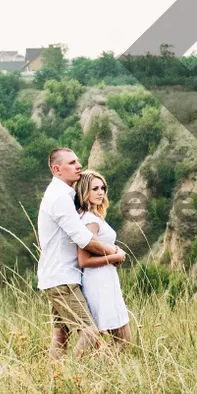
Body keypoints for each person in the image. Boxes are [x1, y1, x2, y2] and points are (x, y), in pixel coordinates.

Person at [36, 148, 117, 360]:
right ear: (57, 169)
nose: (78, 165)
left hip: (55, 277)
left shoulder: (60, 195)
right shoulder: (59, 197)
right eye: (72, 163)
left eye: (77, 161)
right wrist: (114, 253)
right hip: (63, 279)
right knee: (89, 332)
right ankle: (73, 376)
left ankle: (54, 380)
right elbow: (84, 239)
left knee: (61, 336)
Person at [74, 171, 131, 346]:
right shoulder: (89, 221)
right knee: (123, 340)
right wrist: (115, 257)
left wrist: (114, 254)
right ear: (84, 192)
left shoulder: (92, 217)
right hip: (99, 283)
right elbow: (84, 261)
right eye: (95, 189)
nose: (101, 192)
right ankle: (87, 369)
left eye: (103, 188)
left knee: (120, 340)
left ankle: (98, 370)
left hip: (106, 280)